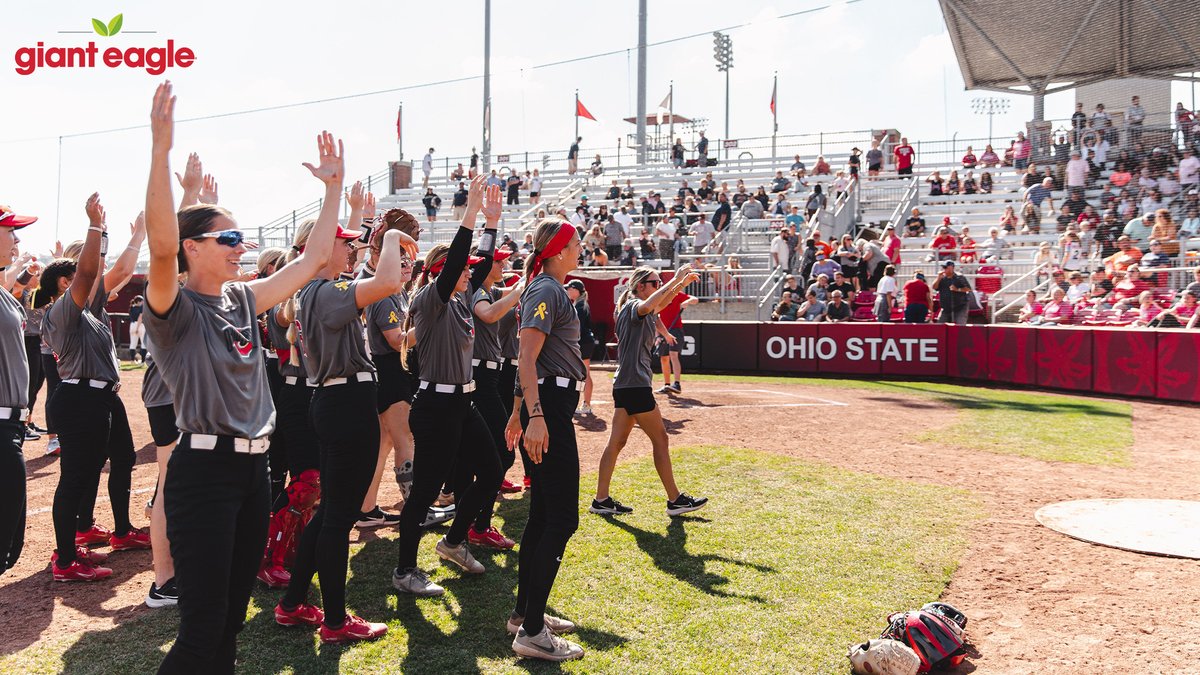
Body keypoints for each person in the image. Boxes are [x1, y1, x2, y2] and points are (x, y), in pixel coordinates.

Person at [145, 84, 384, 666]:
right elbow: (157, 246)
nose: (240, 246)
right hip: (203, 474)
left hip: (253, 471)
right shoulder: (173, 308)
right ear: (192, 248)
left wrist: (331, 192)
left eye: (241, 237)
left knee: (229, 623)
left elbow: (310, 261)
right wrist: (160, 152)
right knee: (202, 629)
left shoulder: (241, 298)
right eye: (228, 238)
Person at [392, 177, 505, 599]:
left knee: (492, 471)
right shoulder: (430, 299)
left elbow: (479, 259)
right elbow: (461, 257)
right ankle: (405, 570)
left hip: (463, 403)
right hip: (435, 408)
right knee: (423, 494)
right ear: (443, 272)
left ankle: (454, 543)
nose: (471, 271)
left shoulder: (460, 297)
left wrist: (492, 221)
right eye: (461, 269)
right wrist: (471, 214)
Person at [43, 195, 148, 583]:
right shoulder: (63, 310)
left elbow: (111, 269)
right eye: (75, 275)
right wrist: (94, 228)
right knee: (77, 476)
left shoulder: (88, 308)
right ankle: (66, 558)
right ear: (63, 283)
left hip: (102, 396)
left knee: (123, 456)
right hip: (79, 397)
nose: (87, 276)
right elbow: (90, 274)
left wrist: (123, 234)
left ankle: (121, 532)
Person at [504, 219, 587, 661]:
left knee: (541, 517)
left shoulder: (548, 287)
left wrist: (520, 411)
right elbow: (526, 357)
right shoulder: (548, 289)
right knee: (561, 520)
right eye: (575, 242)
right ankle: (533, 631)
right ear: (556, 250)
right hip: (550, 410)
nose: (581, 247)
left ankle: (525, 615)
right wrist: (533, 416)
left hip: (548, 407)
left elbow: (529, 361)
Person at [592, 264, 706, 518]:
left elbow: (660, 303)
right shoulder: (635, 306)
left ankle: (601, 500)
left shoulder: (637, 309)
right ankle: (675, 500)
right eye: (653, 283)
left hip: (624, 385)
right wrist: (675, 279)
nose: (657, 286)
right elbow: (651, 304)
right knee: (661, 439)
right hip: (635, 386)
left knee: (616, 443)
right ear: (640, 286)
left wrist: (678, 285)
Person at [463, 248, 525, 548]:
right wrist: (519, 291)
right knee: (502, 451)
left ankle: (475, 522)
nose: (504, 264)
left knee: (492, 453)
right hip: (480, 376)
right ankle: (477, 524)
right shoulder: (478, 292)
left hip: (489, 374)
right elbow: (488, 314)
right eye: (499, 261)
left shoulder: (490, 289)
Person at [0, 205, 38, 577]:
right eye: (10, 231)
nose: (17, 239)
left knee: (9, 541)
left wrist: (19, 272)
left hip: (10, 428)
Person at [655, 286, 696, 393]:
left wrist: (687, 301)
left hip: (675, 330)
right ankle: (667, 385)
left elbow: (695, 299)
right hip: (663, 330)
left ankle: (677, 384)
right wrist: (657, 336)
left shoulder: (676, 294)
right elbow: (655, 319)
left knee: (673, 354)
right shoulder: (657, 298)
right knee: (664, 358)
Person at [565, 280, 596, 415]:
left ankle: (586, 404)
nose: (567, 291)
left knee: (582, 373)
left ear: (576, 290)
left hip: (583, 342)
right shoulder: (580, 304)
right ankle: (586, 404)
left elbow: (577, 328)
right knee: (584, 373)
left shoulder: (580, 306)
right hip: (585, 342)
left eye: (570, 288)